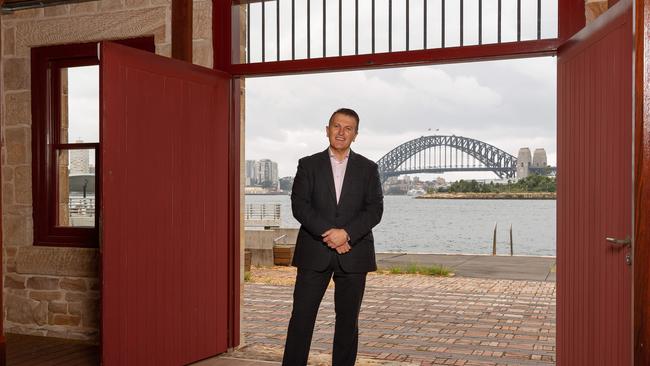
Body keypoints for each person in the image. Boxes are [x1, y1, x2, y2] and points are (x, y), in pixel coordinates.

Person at [282, 108, 384, 366]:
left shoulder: (369, 168)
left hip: (354, 253)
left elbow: (374, 210)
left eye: (348, 128)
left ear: (355, 135)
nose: (341, 132)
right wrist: (331, 235)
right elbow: (300, 205)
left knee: (348, 323)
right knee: (301, 319)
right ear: (327, 130)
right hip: (314, 252)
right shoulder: (308, 164)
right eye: (336, 126)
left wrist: (346, 234)